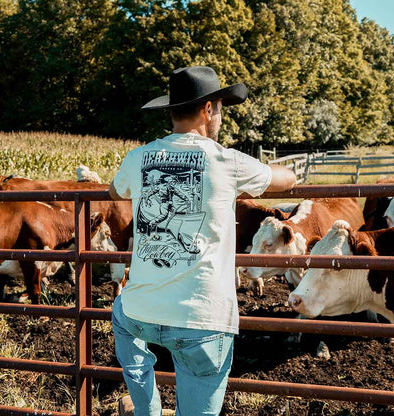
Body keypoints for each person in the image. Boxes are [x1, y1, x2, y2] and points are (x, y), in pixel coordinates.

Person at [109, 66, 296, 415]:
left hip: (141, 313)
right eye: (220, 107)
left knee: (120, 315)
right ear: (208, 109)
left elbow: (114, 189)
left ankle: (145, 410)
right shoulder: (228, 161)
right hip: (202, 322)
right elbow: (285, 179)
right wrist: (288, 174)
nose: (220, 116)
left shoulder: (137, 158)